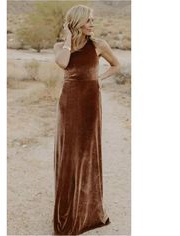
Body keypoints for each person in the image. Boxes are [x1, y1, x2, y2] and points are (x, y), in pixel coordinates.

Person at [53, 4, 120, 235]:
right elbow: (62, 63)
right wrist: (68, 39)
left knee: (86, 153)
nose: (93, 24)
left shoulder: (99, 45)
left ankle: (87, 210)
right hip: (68, 103)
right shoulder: (61, 46)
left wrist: (99, 78)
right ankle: (68, 208)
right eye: (88, 20)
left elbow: (116, 65)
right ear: (76, 22)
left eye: (93, 20)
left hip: (90, 102)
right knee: (69, 155)